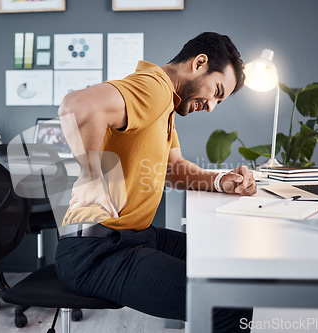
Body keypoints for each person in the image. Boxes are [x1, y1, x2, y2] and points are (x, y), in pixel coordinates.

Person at [54, 32, 257, 332]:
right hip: (96, 252)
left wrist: (220, 181)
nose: (211, 107)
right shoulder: (154, 88)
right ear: (200, 63)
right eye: (216, 92)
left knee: (226, 262)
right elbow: (76, 106)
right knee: (227, 304)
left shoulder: (167, 104)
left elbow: (173, 169)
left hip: (133, 237)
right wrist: (94, 178)